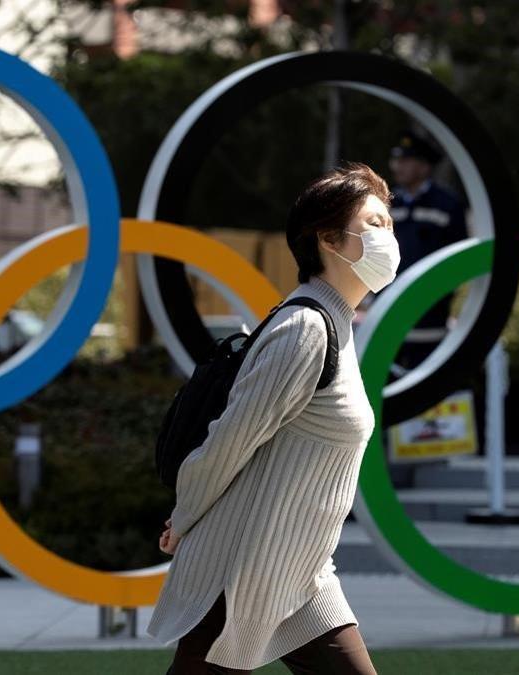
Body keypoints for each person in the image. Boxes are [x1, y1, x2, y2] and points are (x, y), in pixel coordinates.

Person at [147, 161, 394, 674]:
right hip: (237, 571)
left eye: (388, 224)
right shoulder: (306, 328)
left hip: (299, 575)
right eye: (374, 224)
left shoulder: (339, 327)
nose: (387, 236)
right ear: (328, 238)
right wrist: (184, 517)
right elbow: (227, 444)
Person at [370, 129, 468, 373]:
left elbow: (458, 263)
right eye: (396, 159)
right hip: (386, 323)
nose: (397, 166)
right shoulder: (386, 204)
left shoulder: (447, 205)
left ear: (424, 167)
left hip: (429, 325)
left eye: (406, 160)